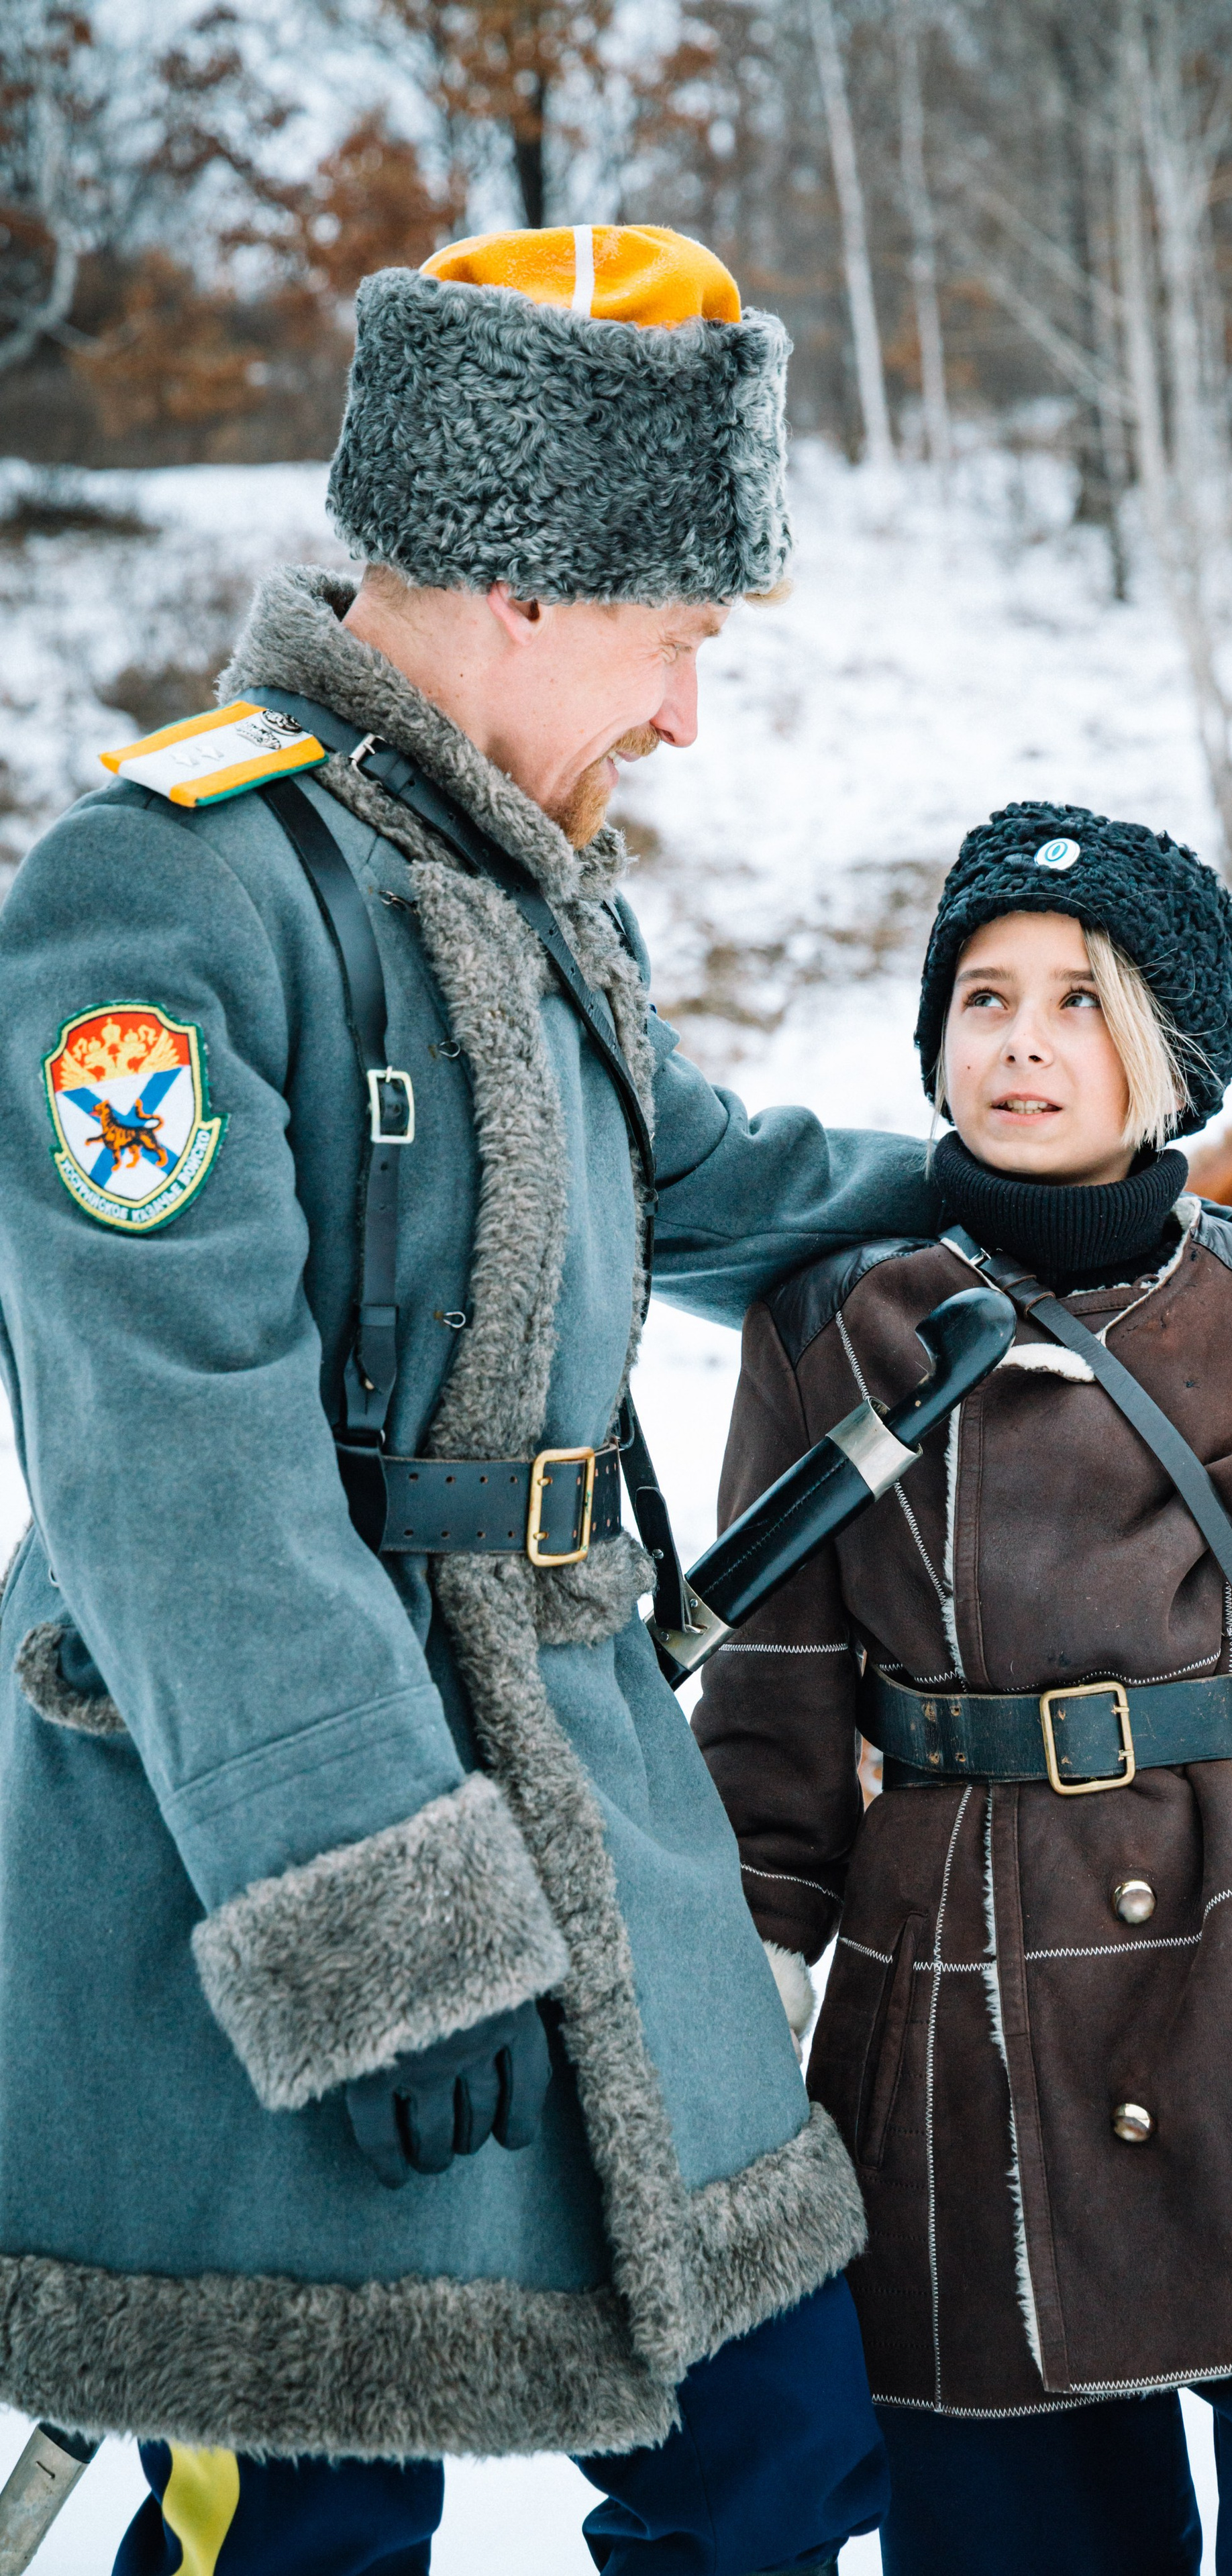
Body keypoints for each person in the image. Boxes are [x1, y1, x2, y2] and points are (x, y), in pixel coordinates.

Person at [0, 224, 931, 2575]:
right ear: (526, 583)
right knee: (300, 2526)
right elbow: (169, 1450)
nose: (689, 718)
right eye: (680, 640)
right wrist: (368, 1907)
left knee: (785, 2440)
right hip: (267, 1842)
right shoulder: (165, 891)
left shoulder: (535, 896)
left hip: (592, 1792)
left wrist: (1008, 1196)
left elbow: (703, 1168)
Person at [694, 802, 1232, 2576]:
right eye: (983, 997)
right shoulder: (830, 1323)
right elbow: (774, 1713)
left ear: (1173, 1061)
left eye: (1081, 1001)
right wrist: (725, 1997)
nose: (1021, 1039)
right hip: (950, 2018)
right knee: (1007, 2528)